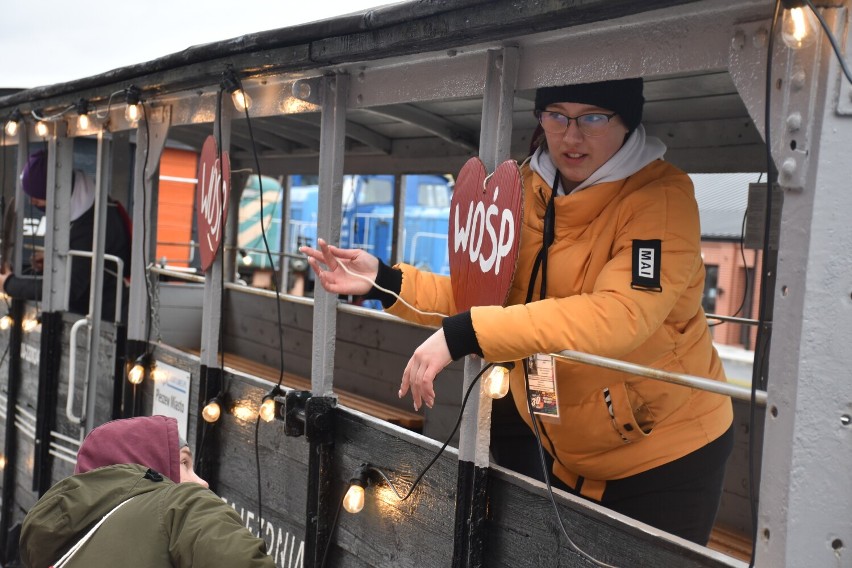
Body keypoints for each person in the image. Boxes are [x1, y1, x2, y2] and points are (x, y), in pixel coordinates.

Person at [300, 78, 734, 545]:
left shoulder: (660, 200)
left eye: (592, 118)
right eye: (557, 116)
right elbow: (487, 296)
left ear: (627, 122)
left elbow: (622, 316)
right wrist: (385, 280)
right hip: (566, 452)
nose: (571, 135)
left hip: (665, 457)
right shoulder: (526, 189)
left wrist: (464, 334)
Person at [19, 415, 275, 567]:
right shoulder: (178, 504)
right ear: (151, 466)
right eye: (184, 463)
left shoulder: (62, 544)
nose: (202, 483)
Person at [0, 149, 132, 320]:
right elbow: (83, 264)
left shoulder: (91, 223)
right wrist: (53, 261)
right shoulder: (85, 208)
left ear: (53, 190)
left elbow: (68, 289)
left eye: (37, 196)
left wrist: (10, 284)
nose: (32, 202)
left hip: (104, 316)